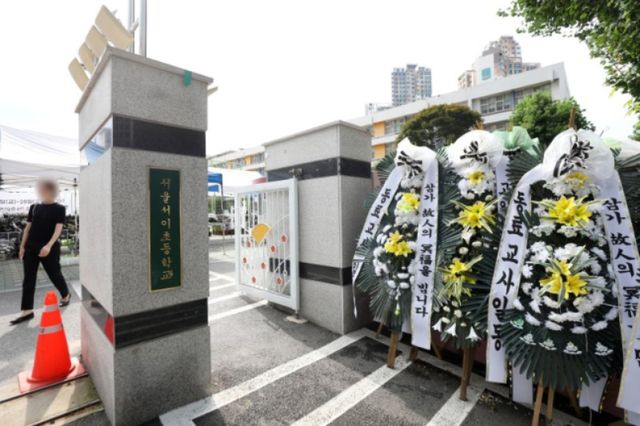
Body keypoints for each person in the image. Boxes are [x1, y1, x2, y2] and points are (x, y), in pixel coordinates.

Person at [10, 179, 71, 325]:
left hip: (49, 248)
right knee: (28, 278)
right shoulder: (34, 207)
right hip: (31, 247)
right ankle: (27, 311)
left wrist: (48, 246)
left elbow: (58, 230)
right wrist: (22, 246)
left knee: (54, 274)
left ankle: (66, 295)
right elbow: (27, 228)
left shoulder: (59, 208)